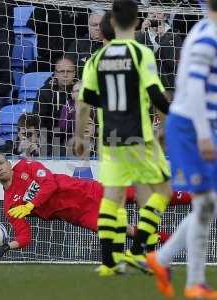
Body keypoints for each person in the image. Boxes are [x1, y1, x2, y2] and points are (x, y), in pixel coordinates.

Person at [75, 0, 171, 276]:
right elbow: (156, 96)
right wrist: (173, 119)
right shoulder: (141, 53)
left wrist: (80, 137)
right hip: (138, 137)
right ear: (138, 21)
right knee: (160, 192)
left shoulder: (96, 59)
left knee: (113, 197)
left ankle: (108, 263)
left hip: (110, 139)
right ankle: (139, 250)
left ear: (112, 23)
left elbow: (84, 103)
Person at [0, 150, 180, 265]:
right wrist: (5, 248)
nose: (0, 167)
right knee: (125, 231)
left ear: (9, 163)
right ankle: (173, 239)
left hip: (88, 190)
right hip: (81, 215)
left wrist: (31, 205)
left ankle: (195, 196)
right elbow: (24, 237)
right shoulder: (10, 206)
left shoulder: (26, 166)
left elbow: (49, 184)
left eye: (2, 162)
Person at [147, 1, 217, 298]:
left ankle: (163, 260)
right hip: (192, 128)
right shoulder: (207, 35)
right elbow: (196, 87)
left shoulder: (204, 30)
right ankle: (193, 282)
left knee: (208, 203)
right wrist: (203, 135)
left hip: (196, 125)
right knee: (206, 203)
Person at [34, 56, 77, 156]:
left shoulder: (81, 90)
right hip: (51, 140)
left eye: (69, 71)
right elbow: (39, 121)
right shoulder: (45, 92)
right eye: (61, 71)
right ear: (56, 73)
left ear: (74, 73)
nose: (65, 75)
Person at [136, 8, 183, 92]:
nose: (154, 15)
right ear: (146, 17)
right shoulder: (139, 34)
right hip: (143, 83)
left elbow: (173, 63)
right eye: (151, 13)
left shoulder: (174, 35)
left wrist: (162, 38)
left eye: (158, 12)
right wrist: (142, 32)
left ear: (165, 17)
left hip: (167, 86)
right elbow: (135, 56)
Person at [67, 10, 105, 77]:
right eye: (94, 25)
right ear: (89, 26)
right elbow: (67, 67)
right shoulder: (78, 44)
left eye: (102, 25)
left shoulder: (114, 44)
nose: (98, 28)